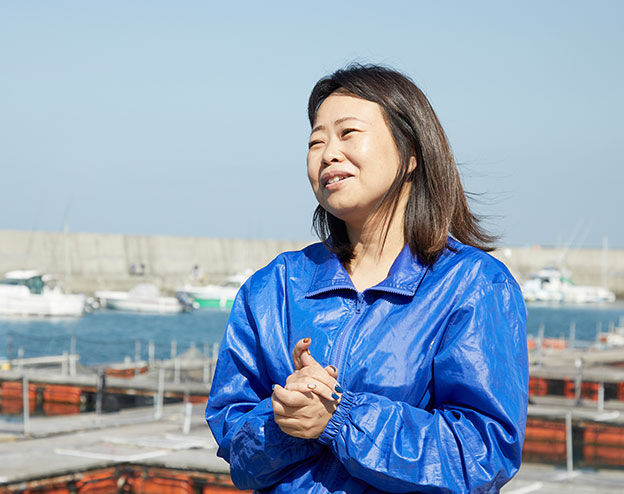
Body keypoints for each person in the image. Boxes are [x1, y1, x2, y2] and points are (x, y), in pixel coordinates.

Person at [205, 64, 528, 494]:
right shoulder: (274, 288)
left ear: (411, 153)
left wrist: (340, 417)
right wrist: (284, 418)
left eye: (348, 133)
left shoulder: (472, 285)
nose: (328, 153)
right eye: (316, 141)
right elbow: (238, 452)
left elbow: (482, 452)